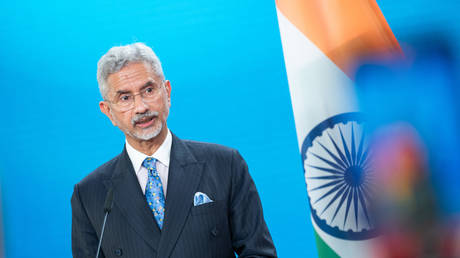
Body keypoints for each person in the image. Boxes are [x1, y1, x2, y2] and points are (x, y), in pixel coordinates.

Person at [71, 42, 277, 258]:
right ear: (108, 111)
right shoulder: (89, 195)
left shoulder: (225, 165)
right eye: (125, 98)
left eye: (148, 90)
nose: (141, 107)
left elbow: (259, 254)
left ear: (167, 92)